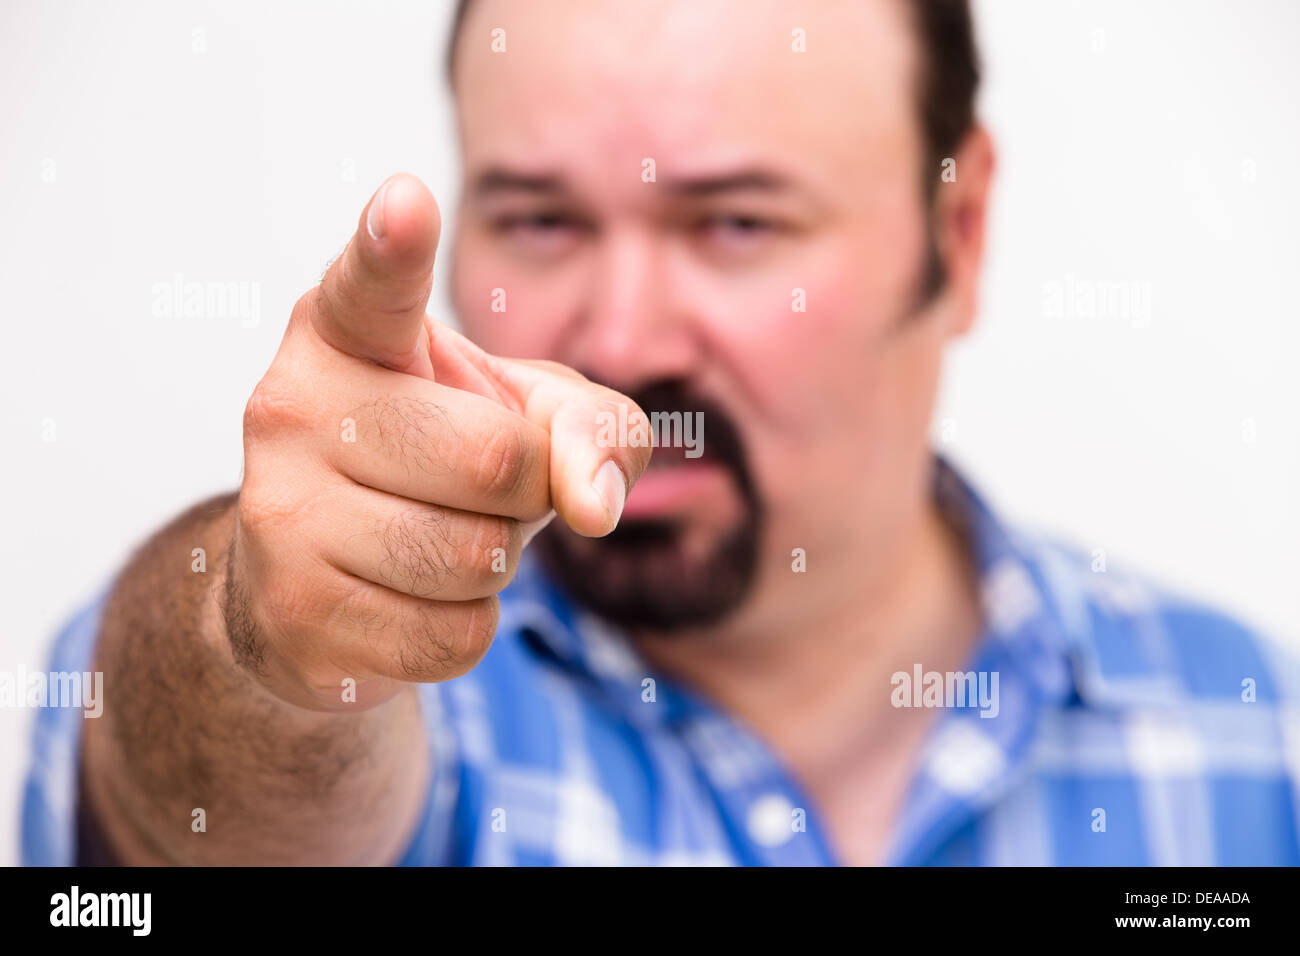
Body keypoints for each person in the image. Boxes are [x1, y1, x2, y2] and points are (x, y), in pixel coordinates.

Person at [24, 0, 1300, 866]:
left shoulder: (1249, 740)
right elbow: (193, 814)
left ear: (956, 237)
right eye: (539, 221)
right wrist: (263, 646)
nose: (623, 339)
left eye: (736, 224)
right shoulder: (402, 703)